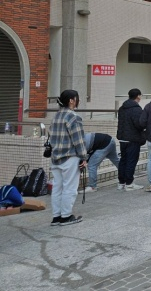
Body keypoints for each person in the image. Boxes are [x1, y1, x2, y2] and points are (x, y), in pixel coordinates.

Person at [49, 89, 87, 226]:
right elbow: (79, 140)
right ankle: (66, 216)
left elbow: (51, 138)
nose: (77, 100)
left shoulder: (56, 116)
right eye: (77, 98)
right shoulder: (73, 117)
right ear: (71, 100)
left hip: (55, 157)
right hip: (70, 157)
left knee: (57, 188)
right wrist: (84, 157)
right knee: (70, 188)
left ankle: (56, 217)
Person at [116, 88, 145, 191]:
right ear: (138, 96)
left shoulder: (122, 108)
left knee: (123, 160)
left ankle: (121, 183)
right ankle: (129, 183)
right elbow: (139, 124)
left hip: (122, 138)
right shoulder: (137, 109)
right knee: (131, 161)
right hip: (133, 138)